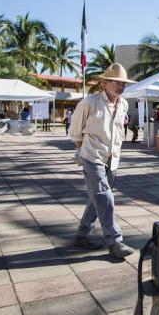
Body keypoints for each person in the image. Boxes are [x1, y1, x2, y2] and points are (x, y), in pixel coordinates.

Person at [69, 63, 136, 258]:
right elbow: (76, 131)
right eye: (116, 82)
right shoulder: (89, 102)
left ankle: (82, 234)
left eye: (123, 83)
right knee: (105, 197)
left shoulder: (123, 104)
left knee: (96, 199)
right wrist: (80, 153)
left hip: (113, 159)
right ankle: (115, 241)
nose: (121, 87)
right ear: (105, 83)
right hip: (92, 156)